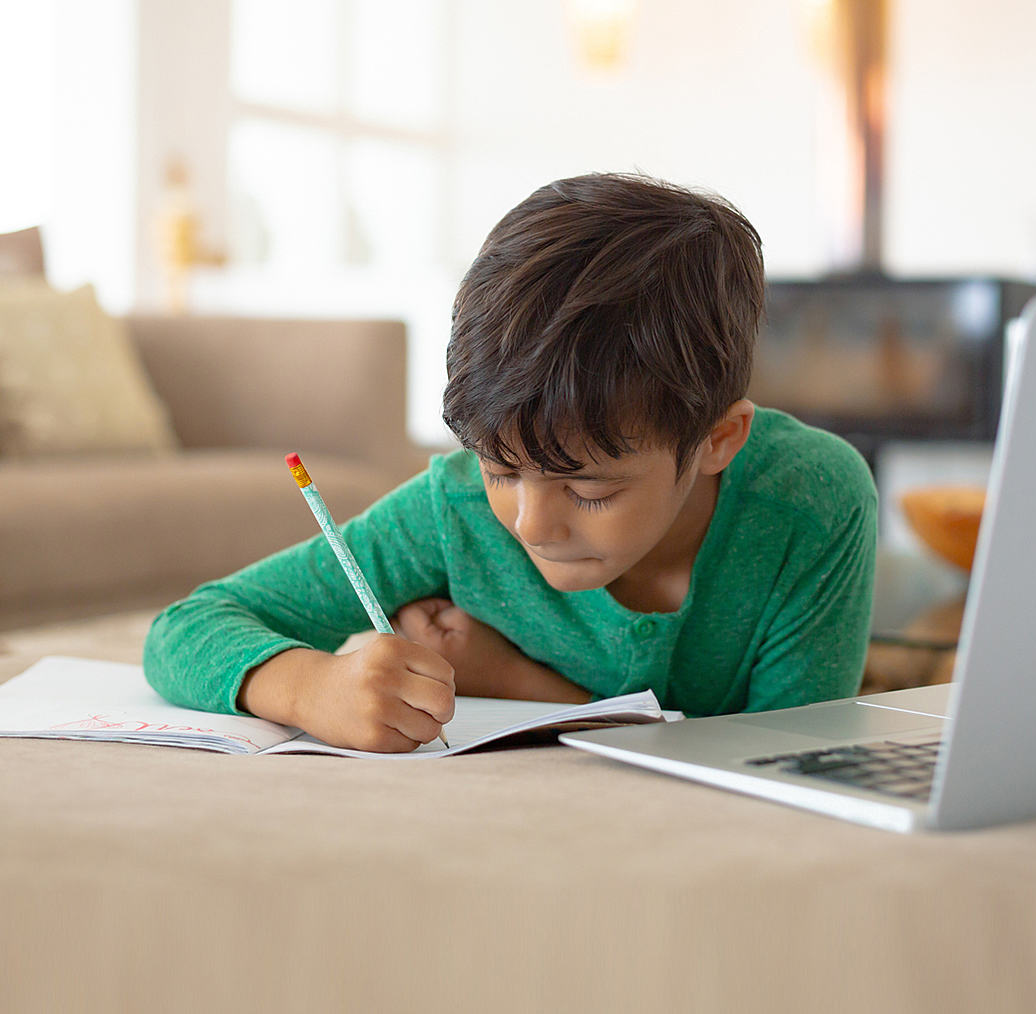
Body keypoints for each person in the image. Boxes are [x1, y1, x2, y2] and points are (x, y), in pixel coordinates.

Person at [143, 173, 877, 752]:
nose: (531, 522)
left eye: (588, 490)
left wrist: (515, 683)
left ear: (719, 439)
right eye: (500, 470)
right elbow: (187, 628)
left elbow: (789, 761)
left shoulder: (812, 499)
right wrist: (311, 688)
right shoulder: (453, 511)